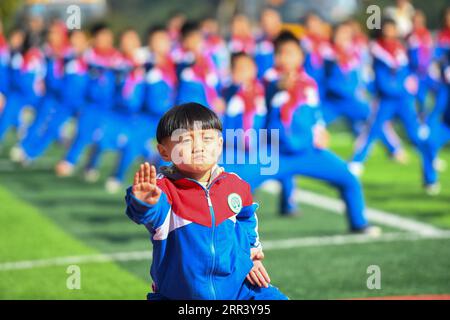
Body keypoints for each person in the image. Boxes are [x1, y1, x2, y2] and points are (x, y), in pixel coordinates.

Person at [125, 102, 288, 300]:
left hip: (239, 291)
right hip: (182, 296)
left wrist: (250, 254)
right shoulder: (163, 191)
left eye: (207, 138)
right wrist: (143, 202)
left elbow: (246, 217)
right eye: (185, 140)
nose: (198, 147)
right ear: (164, 152)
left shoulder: (236, 185)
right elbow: (147, 213)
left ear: (219, 145)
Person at [349, 18, 423, 175]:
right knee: (373, 128)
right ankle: (357, 161)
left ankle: (429, 162)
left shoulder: (401, 48)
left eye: (393, 29)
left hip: (403, 98)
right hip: (385, 98)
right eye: (387, 29)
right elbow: (371, 72)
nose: (390, 32)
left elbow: (412, 67)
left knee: (414, 131)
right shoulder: (376, 48)